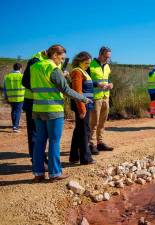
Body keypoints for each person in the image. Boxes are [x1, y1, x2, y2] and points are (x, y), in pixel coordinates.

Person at [30, 44, 91, 182]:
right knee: (54, 141)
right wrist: (83, 99)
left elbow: (30, 84)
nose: (62, 61)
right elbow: (66, 90)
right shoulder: (53, 68)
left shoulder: (35, 67)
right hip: (53, 110)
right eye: (61, 58)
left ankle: (38, 173)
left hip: (37, 110)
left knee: (39, 142)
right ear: (55, 55)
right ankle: (55, 173)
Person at [69, 52, 96, 165]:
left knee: (79, 130)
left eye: (89, 63)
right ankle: (85, 158)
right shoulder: (77, 72)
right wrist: (82, 109)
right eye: (86, 63)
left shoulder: (83, 71)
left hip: (86, 104)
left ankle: (74, 156)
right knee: (85, 131)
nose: (88, 65)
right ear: (79, 61)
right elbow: (77, 92)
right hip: (82, 105)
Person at [22, 50, 48, 163]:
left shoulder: (44, 61)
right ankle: (37, 161)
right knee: (35, 132)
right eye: (60, 58)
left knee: (41, 132)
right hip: (32, 101)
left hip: (41, 102)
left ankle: (40, 159)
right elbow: (25, 81)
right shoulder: (35, 61)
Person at [88, 47, 114, 153]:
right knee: (93, 122)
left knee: (102, 122)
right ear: (100, 54)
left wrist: (110, 84)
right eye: (106, 57)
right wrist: (97, 84)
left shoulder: (107, 66)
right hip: (95, 98)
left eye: (109, 57)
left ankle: (100, 143)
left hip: (105, 97)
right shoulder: (91, 65)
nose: (108, 59)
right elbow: (86, 80)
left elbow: (107, 78)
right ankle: (90, 144)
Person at [3, 63, 25, 132]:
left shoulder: (7, 77)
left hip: (11, 97)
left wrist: (5, 96)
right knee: (18, 111)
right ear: (20, 68)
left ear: (13, 68)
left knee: (13, 111)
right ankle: (15, 127)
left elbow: (5, 88)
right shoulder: (22, 76)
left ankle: (14, 125)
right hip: (20, 97)